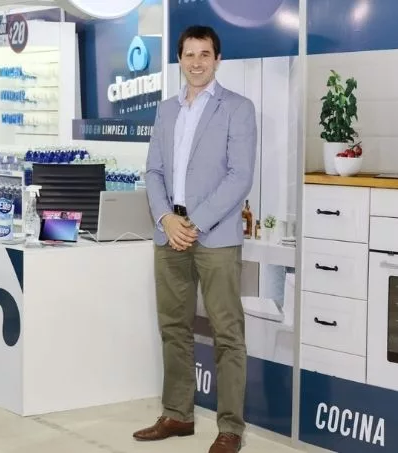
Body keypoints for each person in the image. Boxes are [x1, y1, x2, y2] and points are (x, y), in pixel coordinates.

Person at [133, 26, 257, 453]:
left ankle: (231, 428)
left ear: (217, 59)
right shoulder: (166, 110)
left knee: (227, 333)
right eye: (189, 54)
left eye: (205, 54)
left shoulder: (237, 108)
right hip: (170, 233)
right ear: (180, 60)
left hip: (215, 235)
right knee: (173, 327)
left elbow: (240, 176)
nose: (197, 62)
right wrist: (167, 218)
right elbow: (153, 171)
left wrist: (195, 223)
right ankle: (177, 414)